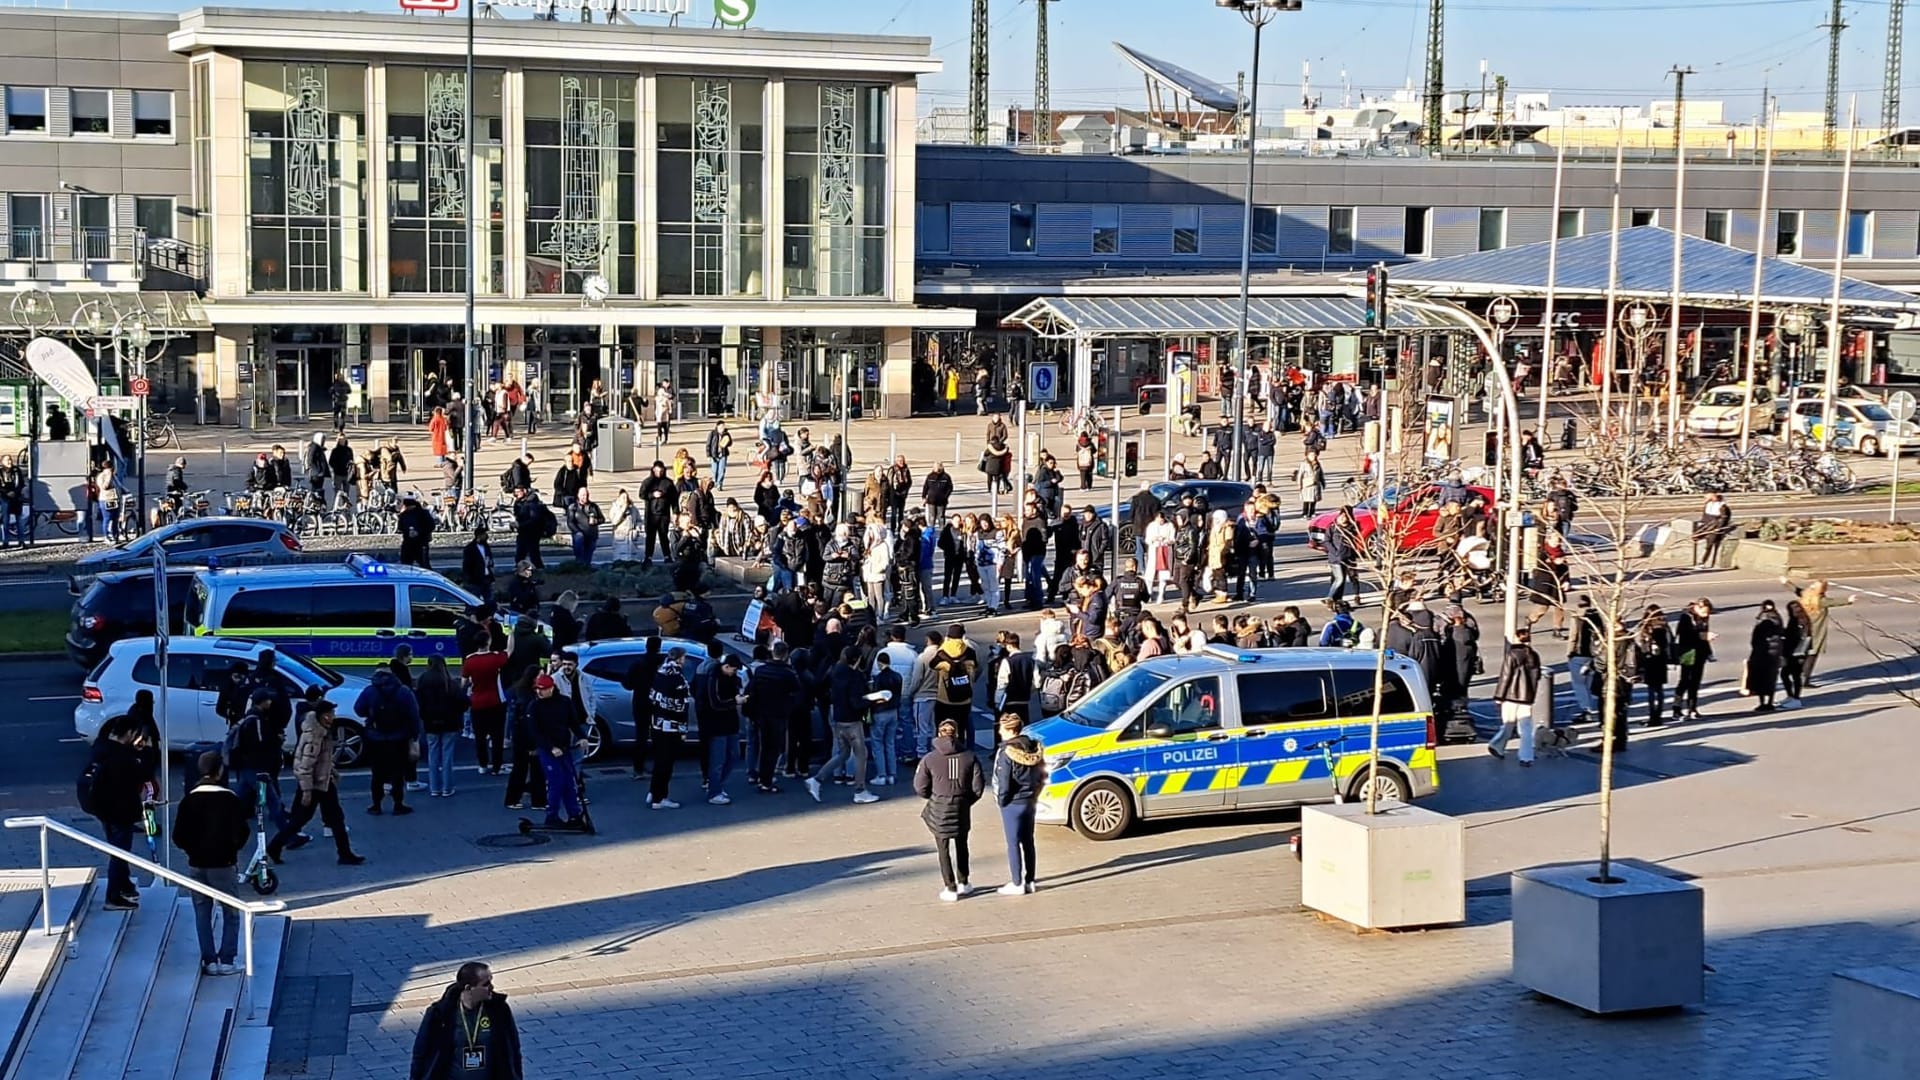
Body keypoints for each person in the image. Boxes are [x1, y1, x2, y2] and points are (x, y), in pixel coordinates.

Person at [171, 753, 253, 974]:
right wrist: (231, 849)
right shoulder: (229, 799)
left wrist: (192, 850)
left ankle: (209, 960)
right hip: (224, 863)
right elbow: (243, 832)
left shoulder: (189, 800)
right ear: (220, 771)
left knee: (202, 912)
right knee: (231, 911)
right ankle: (227, 959)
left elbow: (178, 836)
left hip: (197, 863)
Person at [267, 701, 364, 865]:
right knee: (305, 819)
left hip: (322, 781)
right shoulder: (315, 736)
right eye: (331, 713)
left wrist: (332, 772)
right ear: (324, 716)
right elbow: (306, 765)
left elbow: (322, 760)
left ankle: (345, 853)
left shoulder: (320, 731)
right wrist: (306, 790)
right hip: (316, 784)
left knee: (330, 818)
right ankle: (275, 846)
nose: (333, 716)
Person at [81, 718, 152, 910]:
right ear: (129, 733)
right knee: (119, 853)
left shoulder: (102, 748)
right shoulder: (123, 757)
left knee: (117, 849)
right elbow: (143, 775)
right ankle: (113, 895)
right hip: (120, 810)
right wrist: (142, 751)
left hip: (104, 809)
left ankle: (124, 884)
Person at [409, 961, 523, 1080]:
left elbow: (514, 1050)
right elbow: (420, 1054)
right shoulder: (441, 1013)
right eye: (486, 984)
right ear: (469, 988)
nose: (492, 987)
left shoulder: (499, 1010)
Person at [914, 717, 986, 902]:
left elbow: (920, 786)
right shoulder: (969, 756)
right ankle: (964, 882)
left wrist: (933, 796)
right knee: (962, 844)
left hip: (939, 807)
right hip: (962, 806)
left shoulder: (929, 759)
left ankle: (950, 886)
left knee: (943, 848)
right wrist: (966, 800)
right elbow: (978, 787)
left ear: (939, 733)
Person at [806, 647, 880, 804]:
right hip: (852, 721)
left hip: (838, 718)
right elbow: (856, 702)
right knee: (861, 754)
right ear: (857, 659)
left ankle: (818, 779)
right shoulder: (855, 677)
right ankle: (860, 790)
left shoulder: (836, 671)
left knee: (843, 753)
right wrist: (873, 700)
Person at [356, 667, 421, 815]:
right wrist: (414, 735)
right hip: (399, 738)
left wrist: (371, 715)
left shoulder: (370, 691)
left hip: (375, 737)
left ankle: (376, 805)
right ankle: (398, 804)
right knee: (398, 772)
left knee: (377, 773)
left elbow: (358, 709)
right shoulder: (403, 691)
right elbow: (414, 715)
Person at [528, 674, 590, 831]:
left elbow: (573, 722)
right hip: (549, 750)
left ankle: (574, 814)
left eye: (543, 690)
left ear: (551, 688)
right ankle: (552, 816)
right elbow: (535, 732)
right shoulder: (534, 707)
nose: (539, 693)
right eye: (538, 689)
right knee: (556, 782)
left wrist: (582, 737)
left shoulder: (564, 702)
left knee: (569, 781)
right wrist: (550, 748)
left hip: (564, 747)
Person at [992, 712, 1044, 895]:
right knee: (1028, 842)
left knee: (1013, 843)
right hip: (1030, 800)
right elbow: (1041, 775)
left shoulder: (1007, 753)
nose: (999, 731)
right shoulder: (1032, 748)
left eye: (1001, 728)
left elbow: (1004, 781)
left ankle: (1016, 882)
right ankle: (1030, 880)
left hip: (1013, 803)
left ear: (1008, 730)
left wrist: (1001, 800)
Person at [1488, 627, 1542, 767]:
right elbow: (1537, 677)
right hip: (1527, 697)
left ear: (1517, 637)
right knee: (1525, 728)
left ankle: (1496, 745)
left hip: (1511, 696)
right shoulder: (1534, 656)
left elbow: (1506, 676)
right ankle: (1526, 756)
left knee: (1508, 724)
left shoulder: (1512, 654)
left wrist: (1499, 696)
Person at [647, 647, 693, 810]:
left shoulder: (660, 673)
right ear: (680, 658)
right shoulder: (677, 678)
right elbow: (681, 707)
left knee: (659, 761)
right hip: (670, 727)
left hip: (657, 723)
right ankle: (660, 798)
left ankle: (653, 791)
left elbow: (652, 697)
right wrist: (683, 729)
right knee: (666, 764)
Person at [416, 657, 469, 798]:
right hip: (450, 723)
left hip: (430, 723)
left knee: (432, 755)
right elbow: (464, 702)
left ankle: (434, 788)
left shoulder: (422, 681)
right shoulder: (450, 683)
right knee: (447, 756)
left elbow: (418, 702)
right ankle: (447, 787)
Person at [1672, 597, 1714, 722]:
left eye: (1708, 613)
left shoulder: (1704, 617)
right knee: (1685, 680)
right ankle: (1677, 708)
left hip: (1700, 652)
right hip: (1688, 652)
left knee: (1695, 682)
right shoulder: (1686, 617)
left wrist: (1708, 651)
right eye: (1704, 612)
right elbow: (1684, 635)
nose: (1706, 615)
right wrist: (1701, 636)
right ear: (1697, 608)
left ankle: (1692, 708)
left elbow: (1704, 633)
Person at [1633, 605, 1672, 728]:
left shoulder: (1644, 627)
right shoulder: (1664, 626)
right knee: (1659, 690)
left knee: (1651, 690)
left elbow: (1637, 643)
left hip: (1649, 660)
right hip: (1661, 661)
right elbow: (1670, 641)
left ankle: (1652, 715)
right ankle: (1658, 715)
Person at [1744, 598, 1787, 712]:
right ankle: (1769, 702)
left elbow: (1755, 638)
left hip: (1763, 653)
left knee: (1761, 679)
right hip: (1773, 654)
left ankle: (1764, 702)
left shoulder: (1763, 618)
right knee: (1770, 679)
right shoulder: (1777, 618)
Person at [566, 488, 605, 566]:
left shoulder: (593, 506)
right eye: (583, 495)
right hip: (579, 535)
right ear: (578, 495)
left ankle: (587, 570)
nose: (585, 497)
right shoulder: (573, 507)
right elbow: (570, 522)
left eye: (587, 495)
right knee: (579, 556)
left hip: (591, 535)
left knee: (588, 557)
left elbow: (602, 519)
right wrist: (578, 532)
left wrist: (596, 521)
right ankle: (579, 568)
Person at [398, 495, 436, 569]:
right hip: (409, 543)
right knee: (406, 565)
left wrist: (418, 532)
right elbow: (401, 527)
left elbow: (430, 526)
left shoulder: (423, 513)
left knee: (424, 565)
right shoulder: (404, 515)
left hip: (421, 543)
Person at [1696, 493, 1733, 567]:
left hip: (1714, 526)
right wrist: (1701, 525)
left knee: (1710, 544)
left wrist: (1718, 528)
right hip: (1706, 526)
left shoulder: (1722, 506)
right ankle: (1701, 561)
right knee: (1699, 539)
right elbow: (1705, 516)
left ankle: (1704, 562)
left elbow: (1724, 518)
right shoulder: (1708, 505)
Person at [462, 525, 495, 599]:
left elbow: (490, 561)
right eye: (484, 534)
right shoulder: (470, 548)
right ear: (479, 536)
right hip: (476, 580)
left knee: (489, 600)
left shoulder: (486, 547)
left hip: (487, 578)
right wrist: (469, 579)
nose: (486, 536)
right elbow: (466, 565)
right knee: (475, 600)